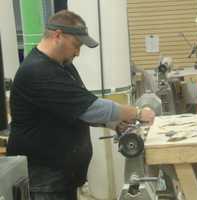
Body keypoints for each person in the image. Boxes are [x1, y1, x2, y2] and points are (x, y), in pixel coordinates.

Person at [7, 9, 155, 200]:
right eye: (76, 45)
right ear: (58, 36)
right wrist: (137, 112)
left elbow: (78, 105)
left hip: (61, 175)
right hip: (43, 179)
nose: (78, 52)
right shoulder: (37, 71)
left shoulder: (63, 65)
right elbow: (90, 108)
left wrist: (113, 123)